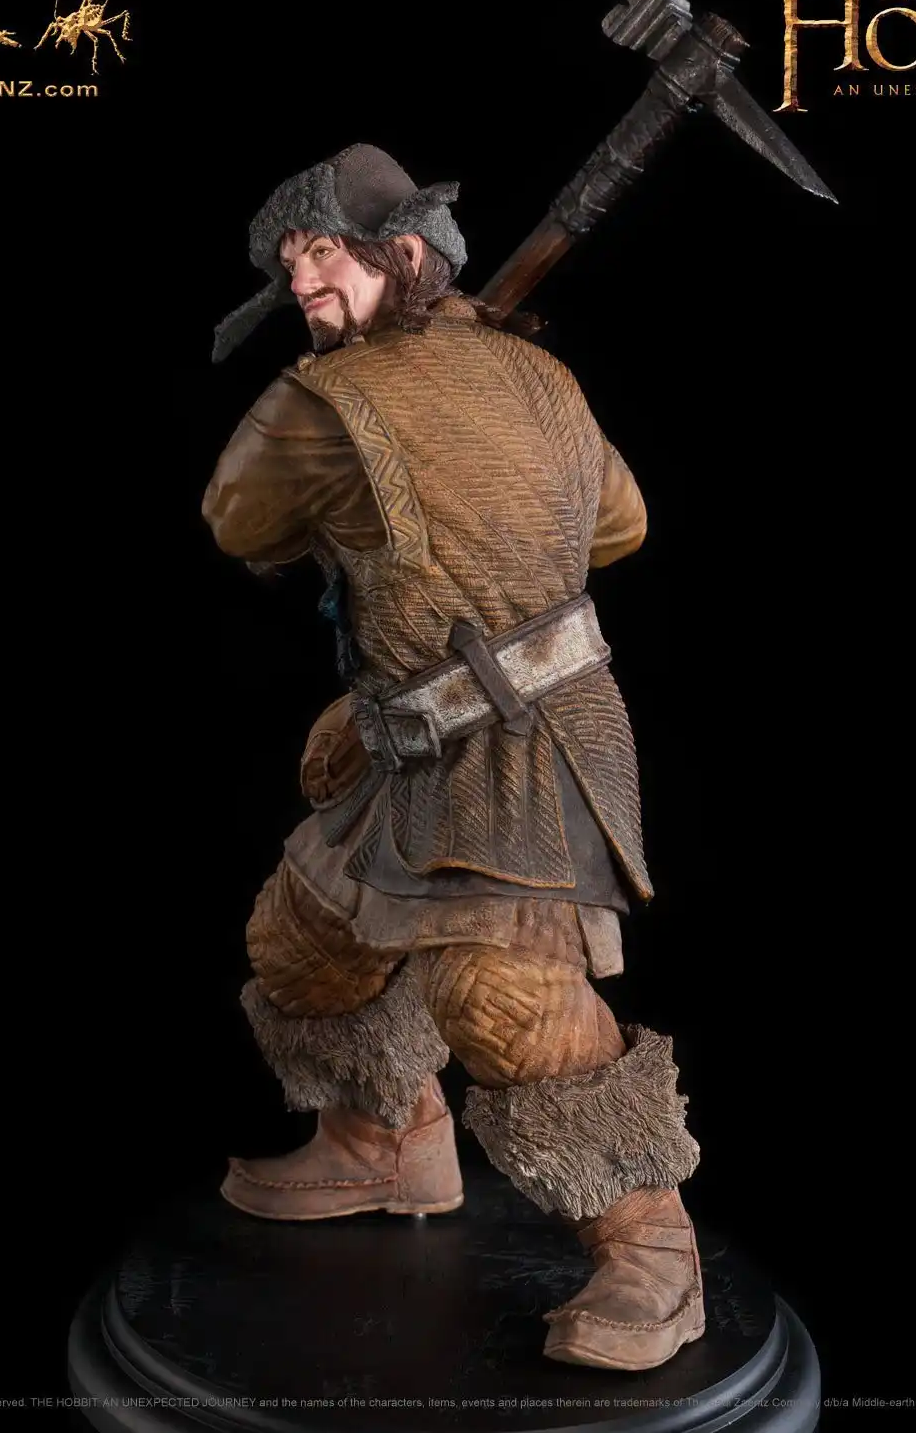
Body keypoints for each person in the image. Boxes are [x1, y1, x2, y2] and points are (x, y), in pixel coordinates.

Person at [202, 143, 702, 1372]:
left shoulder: (325, 400)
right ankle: (387, 1145)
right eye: (291, 260)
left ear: (406, 254)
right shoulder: (537, 372)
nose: (300, 279)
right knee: (304, 936)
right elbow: (620, 523)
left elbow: (238, 518)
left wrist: (379, 433)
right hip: (403, 728)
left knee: (502, 996)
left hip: (531, 738)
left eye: (323, 251)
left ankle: (653, 1247)